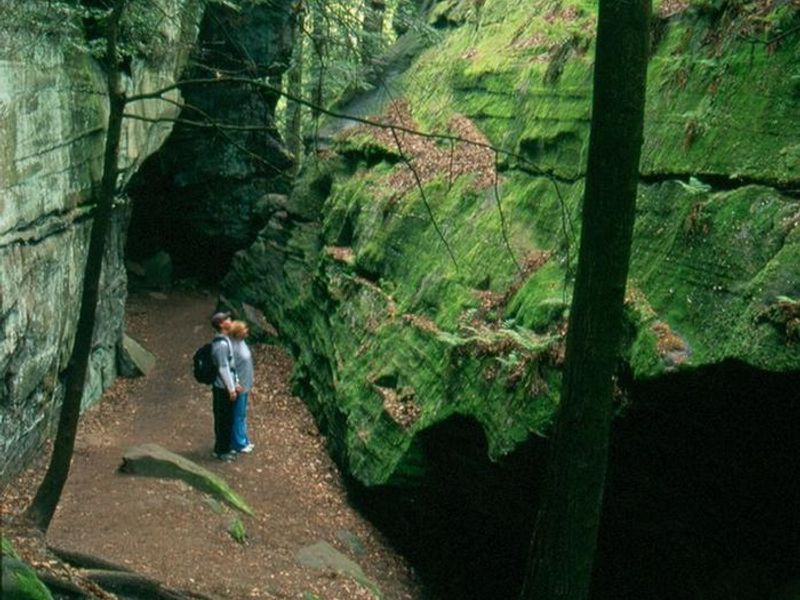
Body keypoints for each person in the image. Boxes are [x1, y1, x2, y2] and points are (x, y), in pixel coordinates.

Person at [210, 311, 238, 462]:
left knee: (227, 418)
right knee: (223, 419)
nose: (231, 320)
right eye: (227, 319)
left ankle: (224, 446)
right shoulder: (221, 344)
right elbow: (223, 367)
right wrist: (231, 388)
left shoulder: (226, 340)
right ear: (221, 324)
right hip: (222, 388)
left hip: (226, 385)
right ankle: (222, 450)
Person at [228, 320, 254, 454]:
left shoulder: (241, 343)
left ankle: (243, 439)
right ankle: (238, 443)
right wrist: (235, 383)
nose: (247, 331)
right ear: (238, 333)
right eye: (244, 329)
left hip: (246, 384)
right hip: (240, 386)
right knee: (238, 414)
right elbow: (230, 367)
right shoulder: (233, 347)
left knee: (242, 414)